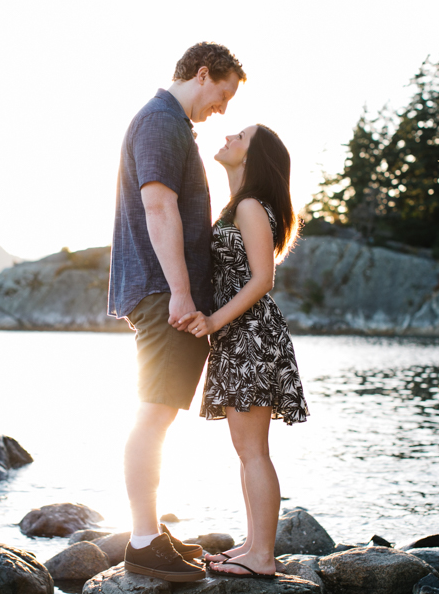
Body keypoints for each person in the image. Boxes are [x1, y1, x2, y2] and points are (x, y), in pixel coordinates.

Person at [107, 42, 246, 582]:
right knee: (155, 412)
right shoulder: (161, 122)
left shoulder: (168, 125)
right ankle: (142, 541)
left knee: (159, 412)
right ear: (203, 74)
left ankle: (149, 533)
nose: (223, 109)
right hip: (166, 293)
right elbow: (159, 206)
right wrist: (182, 292)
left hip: (165, 289)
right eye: (223, 93)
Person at [178, 124, 309, 579]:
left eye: (241, 137)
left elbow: (262, 280)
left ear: (254, 158)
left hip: (250, 334)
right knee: (246, 450)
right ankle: (253, 544)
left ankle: (263, 557)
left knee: (254, 451)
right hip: (241, 336)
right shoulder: (240, 205)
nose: (229, 136)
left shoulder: (252, 207)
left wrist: (214, 320)